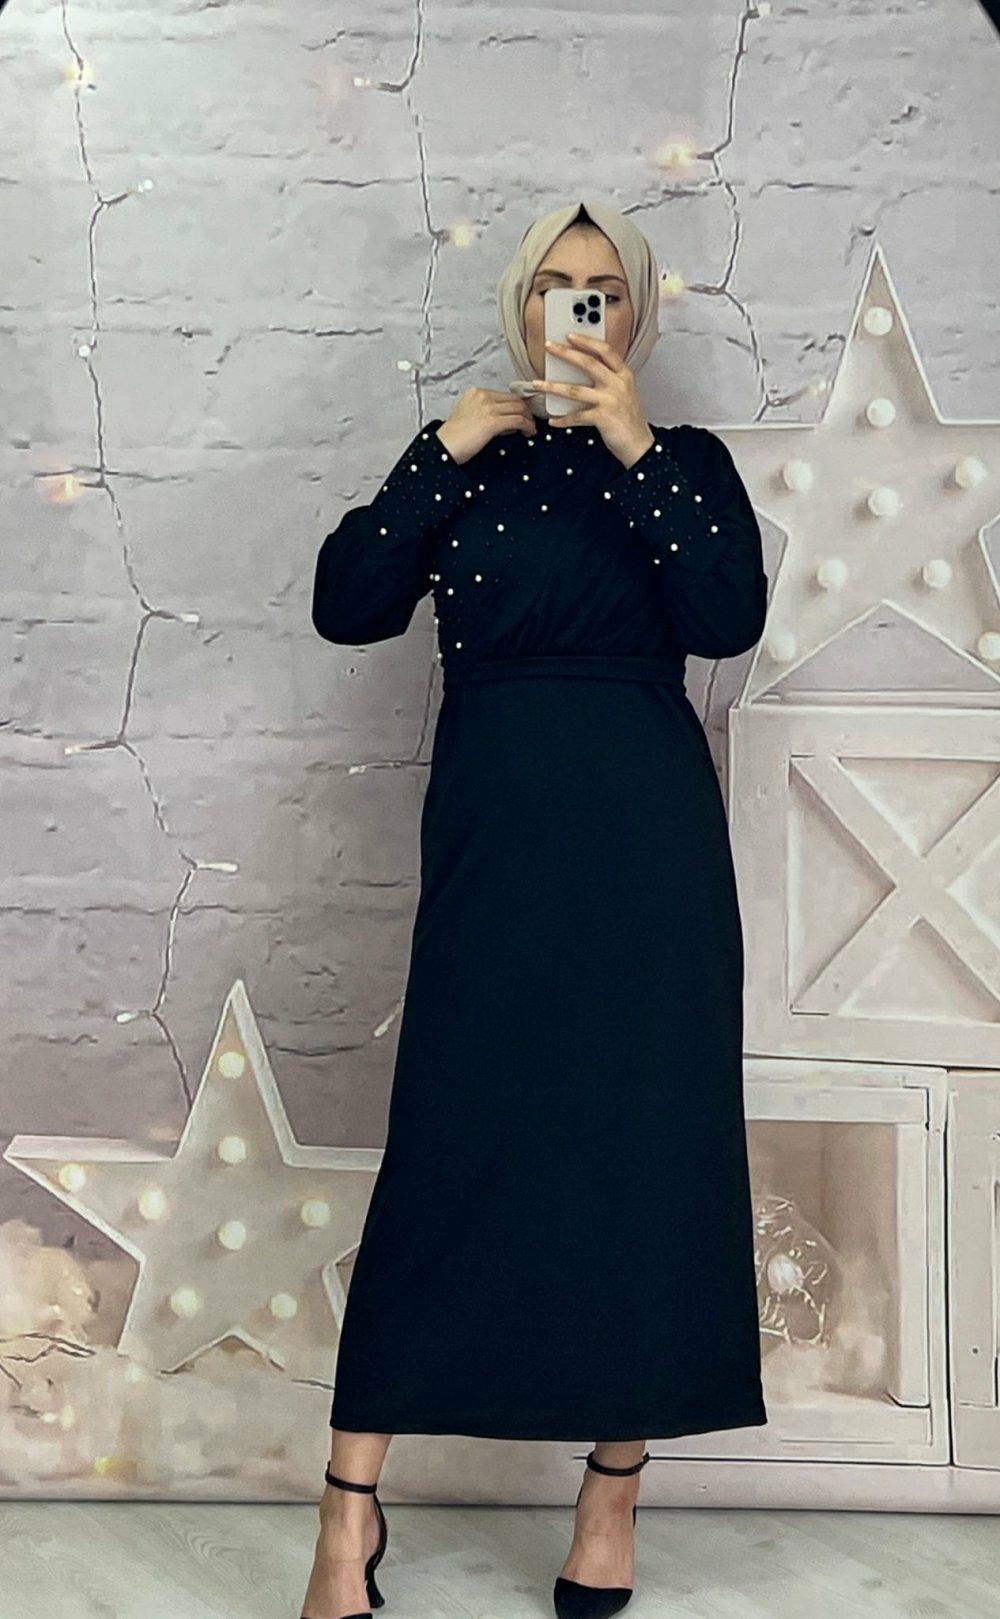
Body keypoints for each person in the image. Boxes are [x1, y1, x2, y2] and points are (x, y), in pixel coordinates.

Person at [301, 199, 769, 1619]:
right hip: (497, 837)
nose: (582, 307)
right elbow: (347, 604)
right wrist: (437, 452)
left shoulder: (685, 462)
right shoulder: (467, 462)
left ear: (636, 314)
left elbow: (729, 617)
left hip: (648, 850)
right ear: (521, 306)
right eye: (558, 286)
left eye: (605, 288)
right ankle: (346, 1510)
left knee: (640, 1147)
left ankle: (612, 1492)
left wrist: (633, 443)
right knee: (452, 1140)